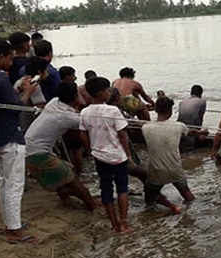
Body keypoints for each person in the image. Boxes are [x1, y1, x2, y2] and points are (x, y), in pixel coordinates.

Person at [0, 39, 39, 244]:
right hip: (9, 133)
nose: (12, 62)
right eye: (10, 58)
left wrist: (19, 91)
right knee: (14, 184)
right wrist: (28, 92)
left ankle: (11, 221)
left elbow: (6, 102)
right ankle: (13, 228)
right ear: (1, 57)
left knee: (3, 181)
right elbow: (15, 107)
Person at [25, 83, 99, 211]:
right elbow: (90, 123)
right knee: (73, 180)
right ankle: (92, 206)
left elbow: (76, 113)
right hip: (38, 154)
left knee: (70, 169)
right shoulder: (66, 118)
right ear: (75, 96)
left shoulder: (54, 102)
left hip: (30, 149)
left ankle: (65, 199)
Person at [79, 77, 134, 233]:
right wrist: (128, 154)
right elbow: (122, 135)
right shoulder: (113, 111)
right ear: (102, 93)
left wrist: (91, 149)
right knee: (122, 189)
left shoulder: (85, 112)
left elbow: (83, 136)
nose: (110, 93)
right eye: (108, 90)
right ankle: (123, 222)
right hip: (117, 156)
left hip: (99, 156)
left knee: (106, 189)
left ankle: (114, 223)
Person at [141, 97, 196, 214]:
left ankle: (163, 210)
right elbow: (191, 133)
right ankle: (193, 212)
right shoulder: (179, 126)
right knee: (187, 194)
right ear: (171, 111)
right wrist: (202, 133)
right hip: (175, 168)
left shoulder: (145, 127)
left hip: (157, 170)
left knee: (150, 197)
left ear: (155, 110)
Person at [14, 56, 47, 132]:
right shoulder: (34, 85)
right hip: (26, 124)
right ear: (40, 72)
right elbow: (40, 107)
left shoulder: (20, 82)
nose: (47, 73)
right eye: (46, 71)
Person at [177, 84, 207, 152]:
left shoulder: (182, 102)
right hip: (191, 128)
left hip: (180, 128)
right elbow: (200, 118)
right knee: (190, 149)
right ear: (200, 94)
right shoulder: (202, 101)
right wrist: (199, 132)